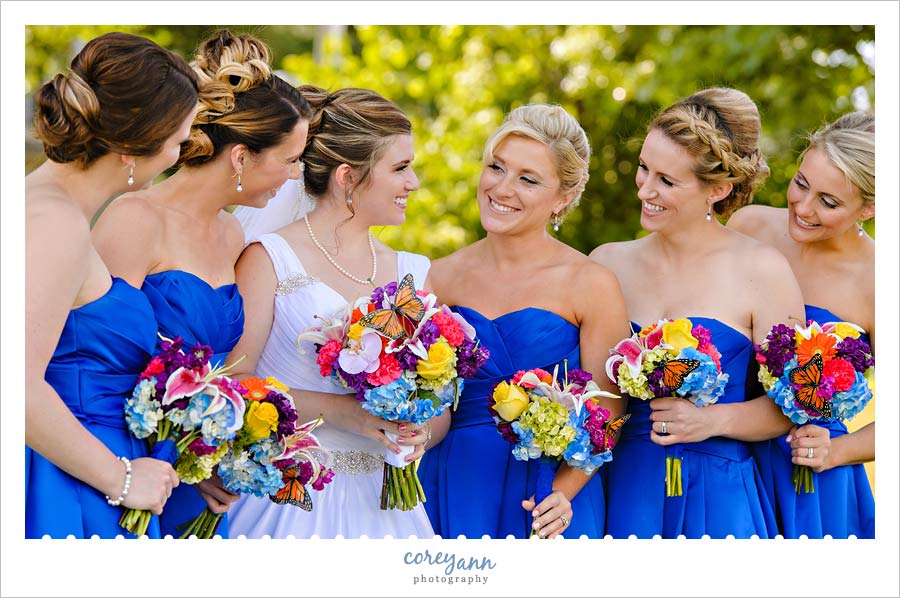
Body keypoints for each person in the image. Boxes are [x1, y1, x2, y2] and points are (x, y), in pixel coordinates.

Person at [92, 30, 312, 538]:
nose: (296, 175)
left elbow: (227, 366)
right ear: (241, 157)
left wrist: (212, 458)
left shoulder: (232, 231)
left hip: (193, 464)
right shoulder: (135, 219)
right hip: (124, 457)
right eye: (290, 159)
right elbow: (94, 355)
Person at [590, 88, 805, 539]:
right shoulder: (607, 263)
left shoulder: (762, 270)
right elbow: (594, 395)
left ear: (719, 189)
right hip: (625, 485)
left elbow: (791, 405)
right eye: (644, 168)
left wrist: (712, 421)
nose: (645, 189)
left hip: (718, 494)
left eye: (667, 181)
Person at [225, 86, 434, 538]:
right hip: (289, 499)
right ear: (347, 177)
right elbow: (233, 386)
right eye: (401, 168)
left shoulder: (412, 275)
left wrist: (421, 432)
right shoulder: (270, 258)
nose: (413, 183)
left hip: (386, 513)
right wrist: (343, 413)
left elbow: (439, 407)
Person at [417, 104, 629, 539]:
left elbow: (609, 408)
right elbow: (429, 401)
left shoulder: (592, 283)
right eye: (497, 167)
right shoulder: (438, 276)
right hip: (455, 480)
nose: (502, 187)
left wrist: (565, 493)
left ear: (563, 198)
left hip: (550, 495)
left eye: (528, 179)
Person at [25, 32, 197, 538]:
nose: (180, 153)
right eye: (178, 139)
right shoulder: (52, 223)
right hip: (68, 485)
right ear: (131, 147)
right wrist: (121, 479)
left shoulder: (49, 209)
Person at [727, 111, 875, 538]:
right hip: (724, 455)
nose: (804, 209)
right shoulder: (750, 226)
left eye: (829, 202)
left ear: (869, 207)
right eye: (801, 184)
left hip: (810, 476)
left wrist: (837, 450)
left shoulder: (878, 279)